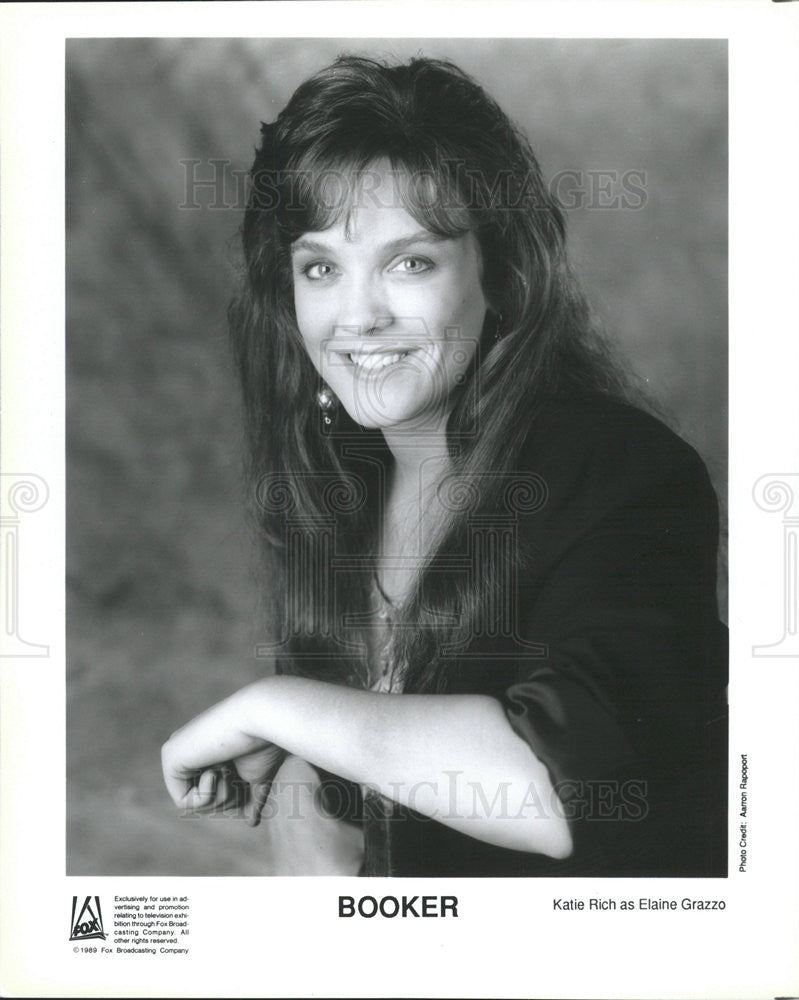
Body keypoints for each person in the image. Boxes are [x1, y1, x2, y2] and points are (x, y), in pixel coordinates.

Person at [161, 55, 728, 877]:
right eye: (320, 267)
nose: (356, 316)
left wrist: (278, 711)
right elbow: (360, 780)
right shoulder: (339, 474)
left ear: (499, 272)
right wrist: (303, 779)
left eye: (409, 262)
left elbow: (551, 790)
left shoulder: (619, 469)